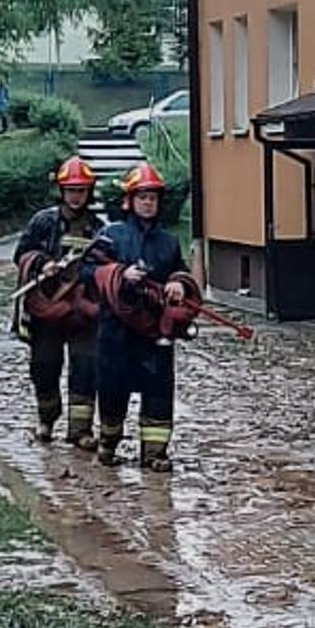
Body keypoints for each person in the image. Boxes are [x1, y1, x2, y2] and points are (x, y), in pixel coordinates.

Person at [84, 163, 200, 472]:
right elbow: (88, 272)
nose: (148, 203)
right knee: (112, 391)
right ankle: (108, 444)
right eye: (142, 197)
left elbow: (181, 271)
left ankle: (154, 453)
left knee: (159, 392)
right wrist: (120, 275)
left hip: (154, 333)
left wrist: (177, 282)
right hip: (116, 332)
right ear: (130, 201)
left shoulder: (169, 242)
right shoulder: (111, 237)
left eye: (153, 197)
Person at [13, 156, 103, 447]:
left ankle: (81, 430)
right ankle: (46, 419)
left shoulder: (99, 228)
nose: (76, 196)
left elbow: (106, 265)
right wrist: (42, 264)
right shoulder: (43, 222)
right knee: (45, 365)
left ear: (89, 192)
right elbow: (21, 254)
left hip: (82, 311)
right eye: (71, 190)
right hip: (47, 309)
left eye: (81, 190)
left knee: (86, 365)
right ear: (61, 191)